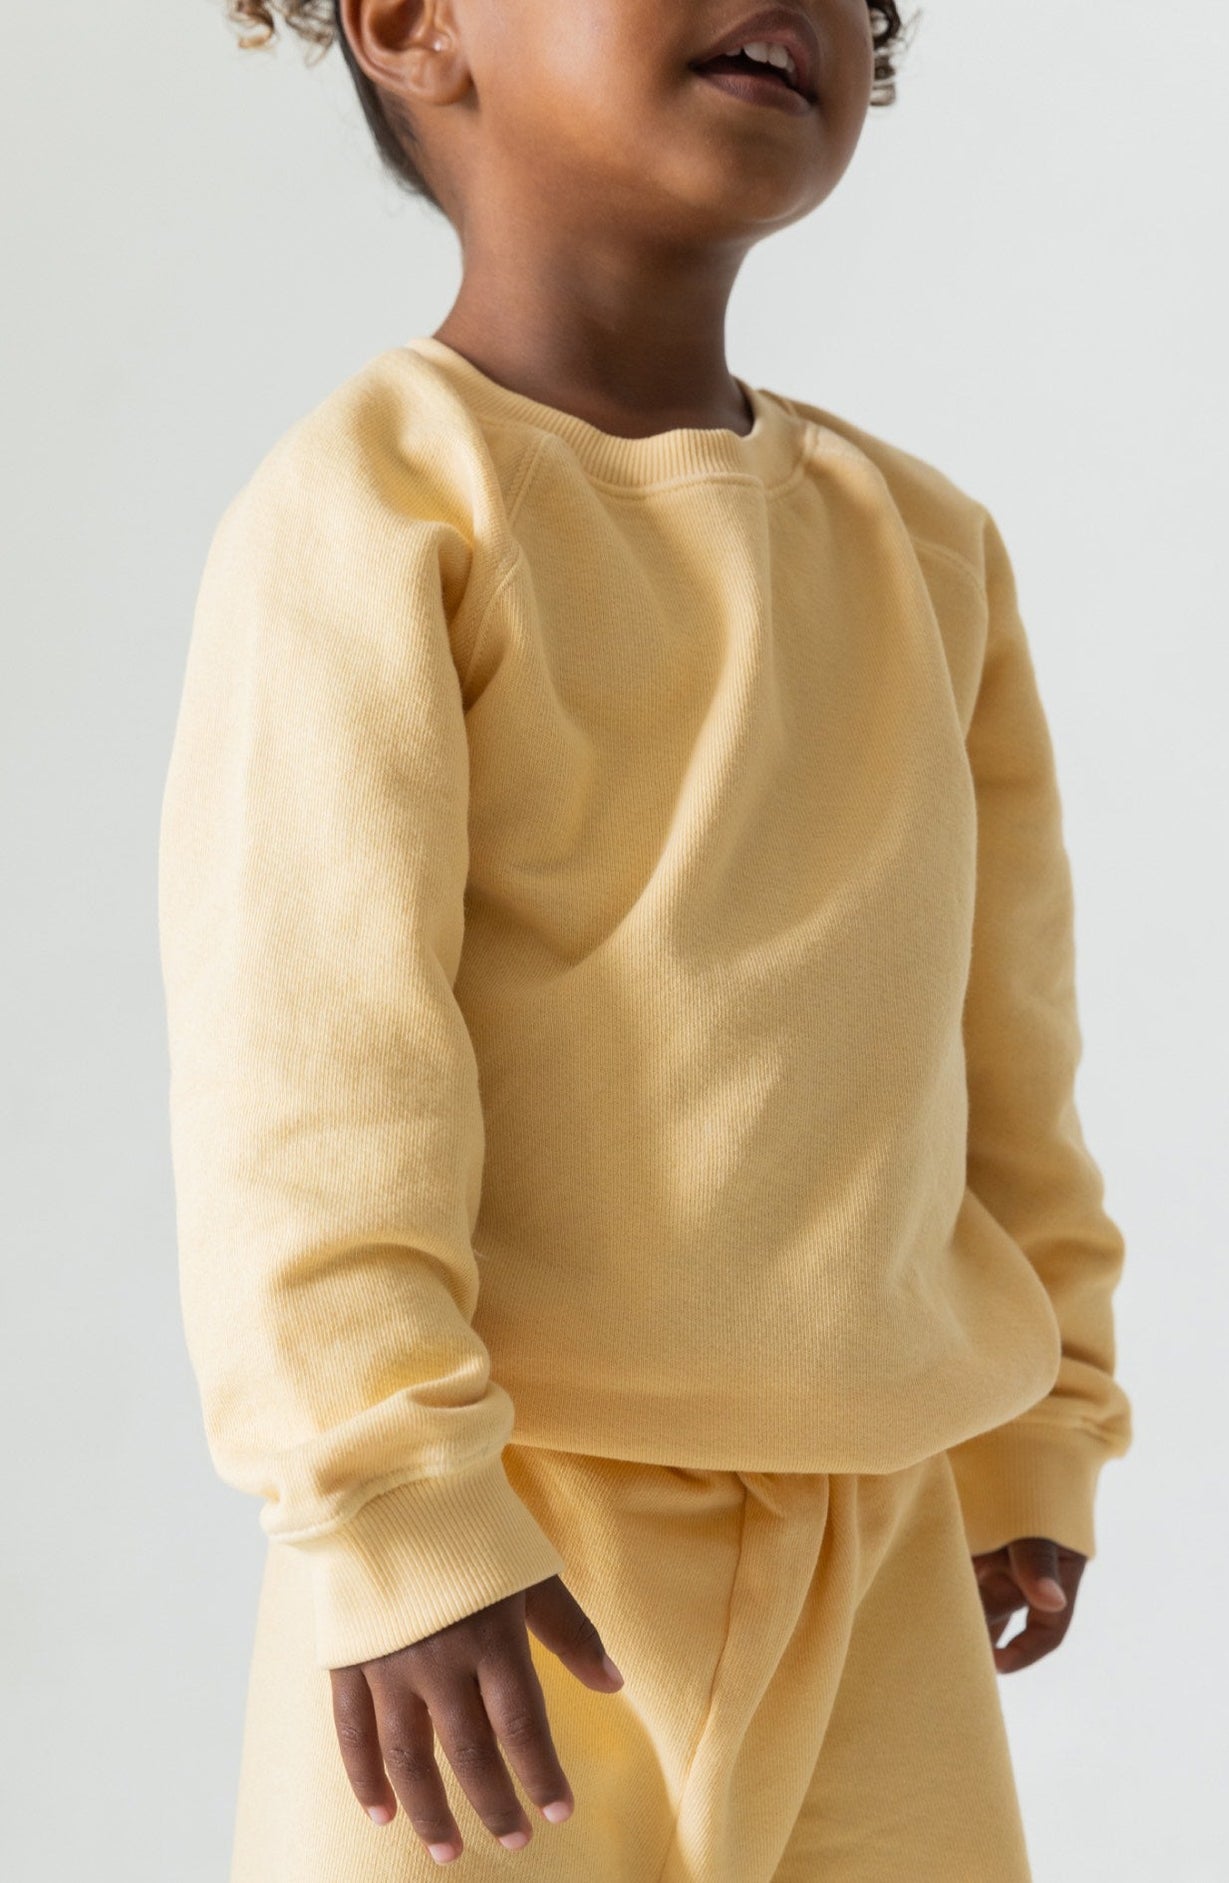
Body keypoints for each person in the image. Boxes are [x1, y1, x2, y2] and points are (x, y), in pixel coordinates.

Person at [157, 2, 1133, 1877]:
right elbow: (307, 1058)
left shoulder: (925, 550)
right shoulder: (375, 508)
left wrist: (1043, 1425)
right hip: (508, 1560)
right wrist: (392, 1518)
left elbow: (1002, 1041)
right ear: (412, 25)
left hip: (884, 1542)